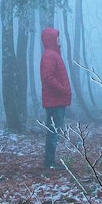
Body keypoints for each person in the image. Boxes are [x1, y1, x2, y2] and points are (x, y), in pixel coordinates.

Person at [40, 27, 72, 169]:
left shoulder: (53, 54)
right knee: (53, 132)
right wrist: (63, 89)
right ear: (51, 39)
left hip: (56, 101)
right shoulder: (49, 55)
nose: (59, 40)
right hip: (54, 101)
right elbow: (47, 78)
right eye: (57, 37)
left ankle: (50, 162)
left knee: (54, 132)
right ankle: (49, 163)